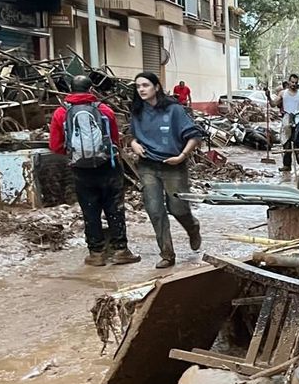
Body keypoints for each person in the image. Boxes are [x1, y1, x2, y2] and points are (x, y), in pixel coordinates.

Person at [49, 75, 140, 267]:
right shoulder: (105, 110)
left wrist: (75, 154)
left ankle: (96, 253)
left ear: (70, 91)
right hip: (108, 166)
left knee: (89, 210)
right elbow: (115, 140)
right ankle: (120, 250)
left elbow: (55, 146)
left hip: (80, 170)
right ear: (91, 90)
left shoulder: (60, 113)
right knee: (114, 207)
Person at [129, 71, 204, 269]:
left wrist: (182, 156)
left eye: (145, 85)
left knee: (177, 208)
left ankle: (193, 228)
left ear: (156, 87)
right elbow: (131, 136)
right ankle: (167, 254)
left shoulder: (174, 110)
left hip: (173, 165)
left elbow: (194, 136)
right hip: (147, 166)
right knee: (155, 210)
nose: (141, 90)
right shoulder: (137, 111)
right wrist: (133, 143)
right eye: (138, 86)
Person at [276, 74, 299, 173]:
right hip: (287, 119)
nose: (294, 84)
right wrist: (268, 96)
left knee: (298, 143)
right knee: (286, 143)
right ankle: (287, 165)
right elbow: (273, 104)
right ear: (289, 82)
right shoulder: (283, 93)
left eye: (296, 83)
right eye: (292, 82)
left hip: (298, 119)